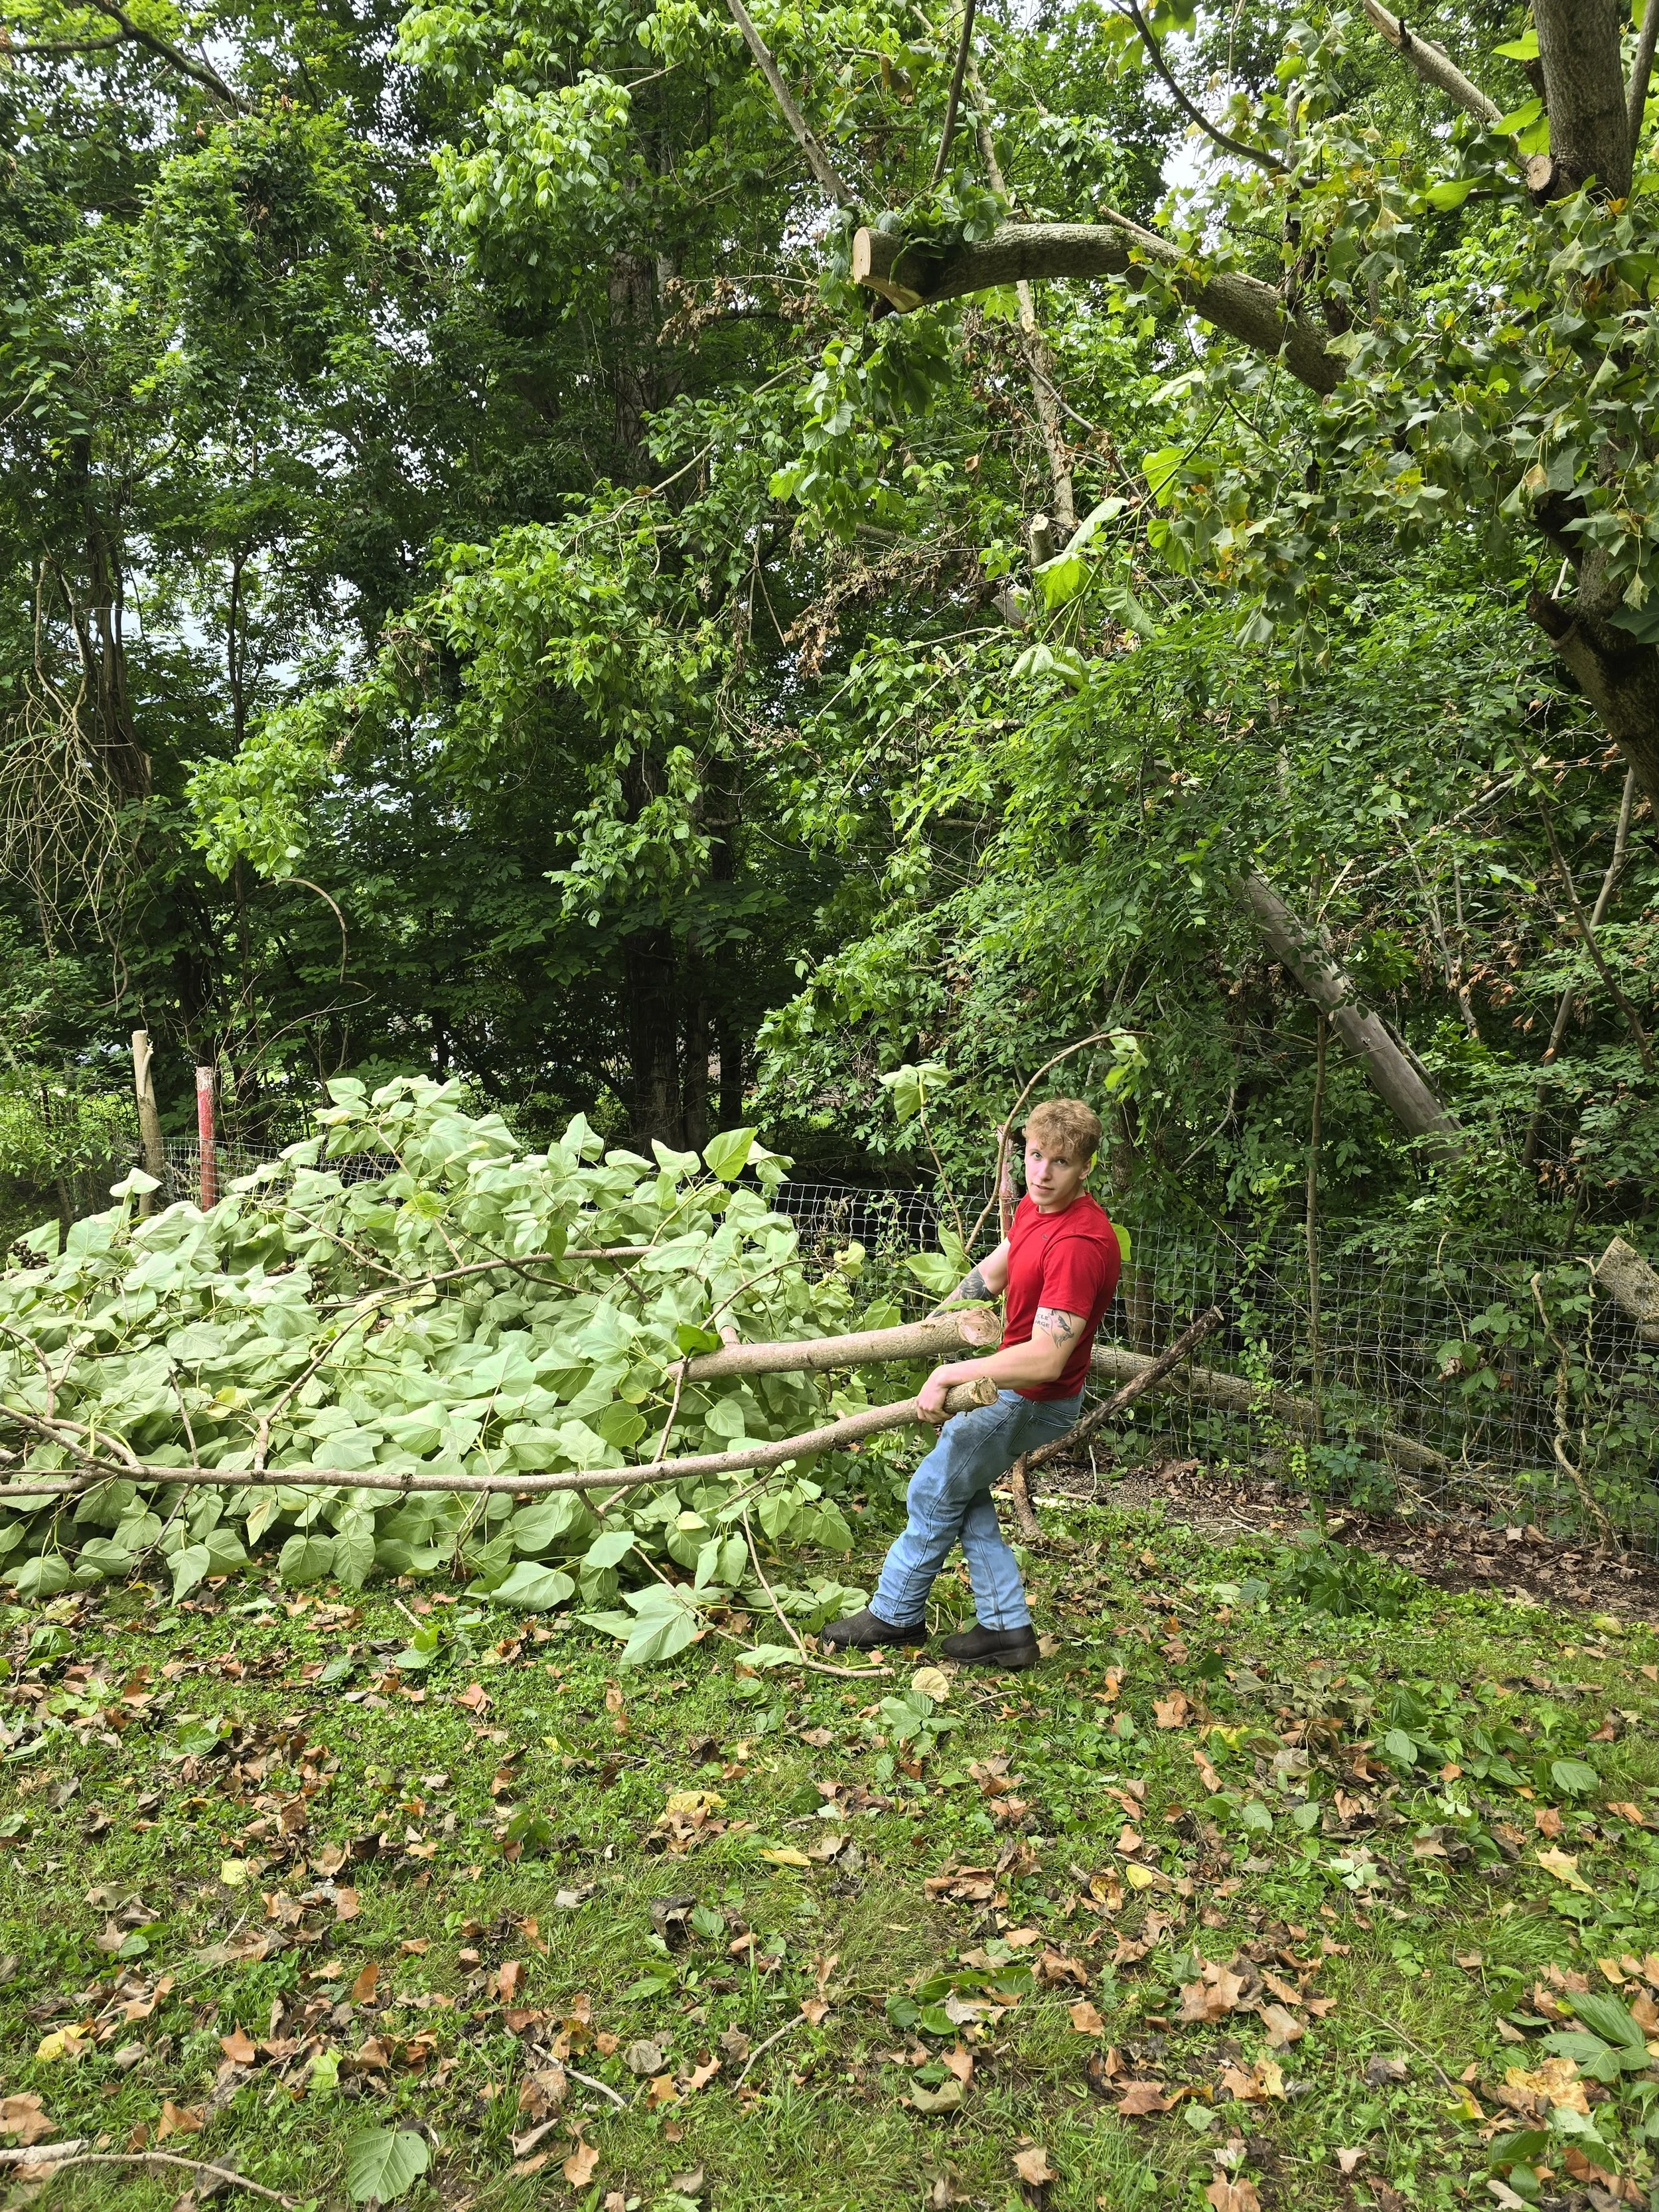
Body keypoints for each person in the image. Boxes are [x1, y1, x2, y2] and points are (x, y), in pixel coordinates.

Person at [824, 1097, 1121, 1671]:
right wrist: (934, 1326)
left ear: (1085, 1167)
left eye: (1059, 1161)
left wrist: (950, 1370)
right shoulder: (1039, 1207)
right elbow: (998, 1266)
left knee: (935, 1489)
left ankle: (895, 1613)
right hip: (1012, 1389)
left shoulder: (1081, 1244)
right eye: (1035, 1155)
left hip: (1030, 1399)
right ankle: (1007, 1629)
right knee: (963, 1491)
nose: (1041, 1172)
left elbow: (1045, 1358)